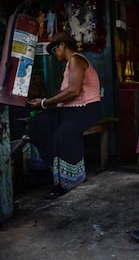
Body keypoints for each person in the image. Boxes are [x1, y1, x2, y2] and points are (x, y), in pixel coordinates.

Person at [26, 32, 101, 199]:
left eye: (54, 50)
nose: (54, 54)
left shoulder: (76, 60)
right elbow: (65, 93)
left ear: (62, 45)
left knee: (63, 133)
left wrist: (45, 102)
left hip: (86, 109)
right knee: (38, 123)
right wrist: (46, 102)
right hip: (69, 110)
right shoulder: (69, 64)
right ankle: (42, 171)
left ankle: (68, 182)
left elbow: (73, 91)